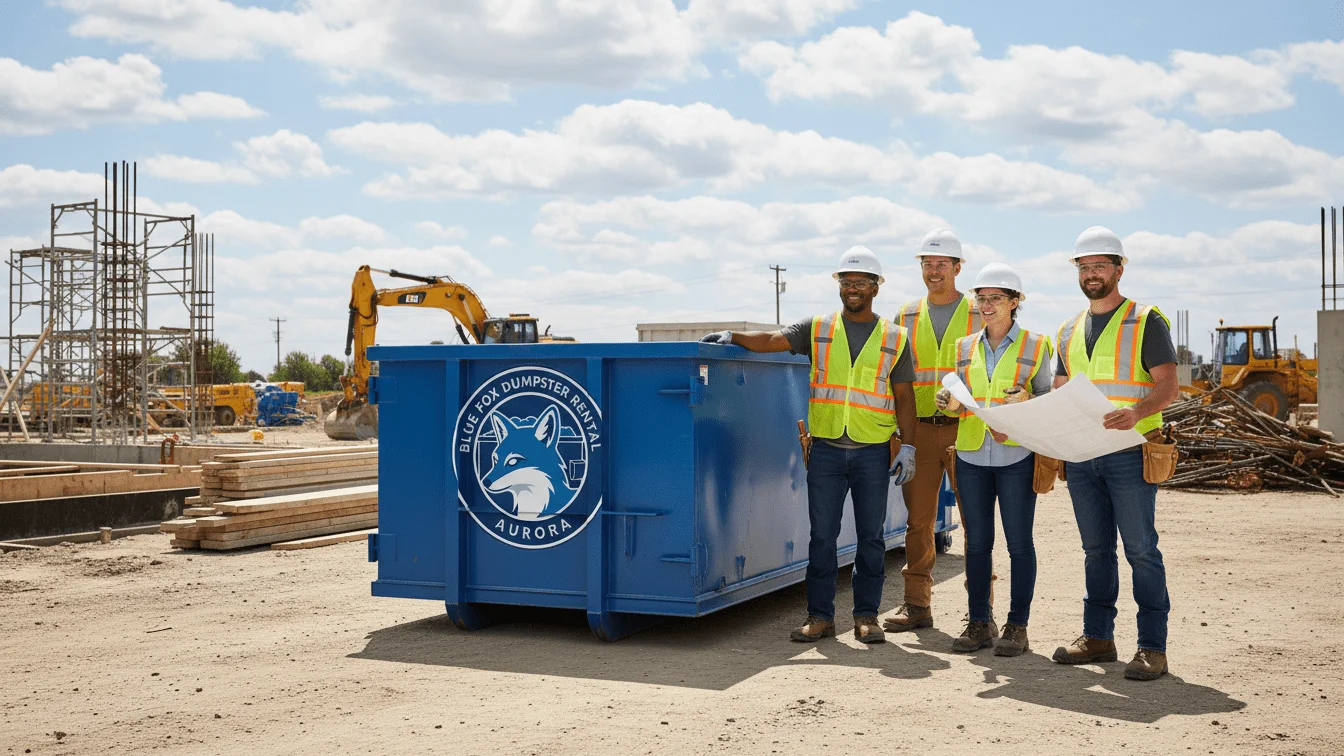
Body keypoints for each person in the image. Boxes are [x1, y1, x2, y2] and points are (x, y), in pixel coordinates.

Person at [700, 246, 916, 644]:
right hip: (828, 450)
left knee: (871, 538)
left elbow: (904, 397)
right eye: (846, 282)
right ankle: (820, 617)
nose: (852, 289)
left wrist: (909, 447)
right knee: (822, 538)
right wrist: (734, 336)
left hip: (872, 450)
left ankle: (866, 617)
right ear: (839, 286)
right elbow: (771, 339)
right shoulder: (818, 328)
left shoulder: (894, 337)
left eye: (860, 283)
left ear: (875, 288)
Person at [1051, 226, 1179, 681]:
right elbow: (1062, 392)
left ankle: (1151, 648)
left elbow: (1168, 385)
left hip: (1130, 450)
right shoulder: (1067, 330)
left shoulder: (1146, 320)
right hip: (1084, 455)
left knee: (1141, 549)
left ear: (1119, 270)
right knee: (1095, 550)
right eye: (1084, 267)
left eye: (1099, 266)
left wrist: (1136, 412)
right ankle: (1099, 637)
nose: (1091, 274)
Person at [934, 263, 1051, 656]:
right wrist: (947, 403)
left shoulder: (1037, 345)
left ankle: (1017, 626)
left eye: (994, 298)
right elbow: (960, 399)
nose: (985, 305)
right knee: (977, 543)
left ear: (1014, 302)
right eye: (980, 298)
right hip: (970, 453)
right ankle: (980, 621)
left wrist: (1028, 401)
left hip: (1016, 454)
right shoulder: (964, 347)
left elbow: (1049, 401)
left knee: (1019, 544)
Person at [885, 229, 984, 634]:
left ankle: (981, 613)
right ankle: (917, 607)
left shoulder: (982, 310)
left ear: (958, 268)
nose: (934, 271)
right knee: (919, 523)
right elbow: (892, 377)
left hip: (969, 431)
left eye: (942, 264)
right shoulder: (905, 316)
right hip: (920, 432)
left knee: (976, 525)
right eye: (927, 263)